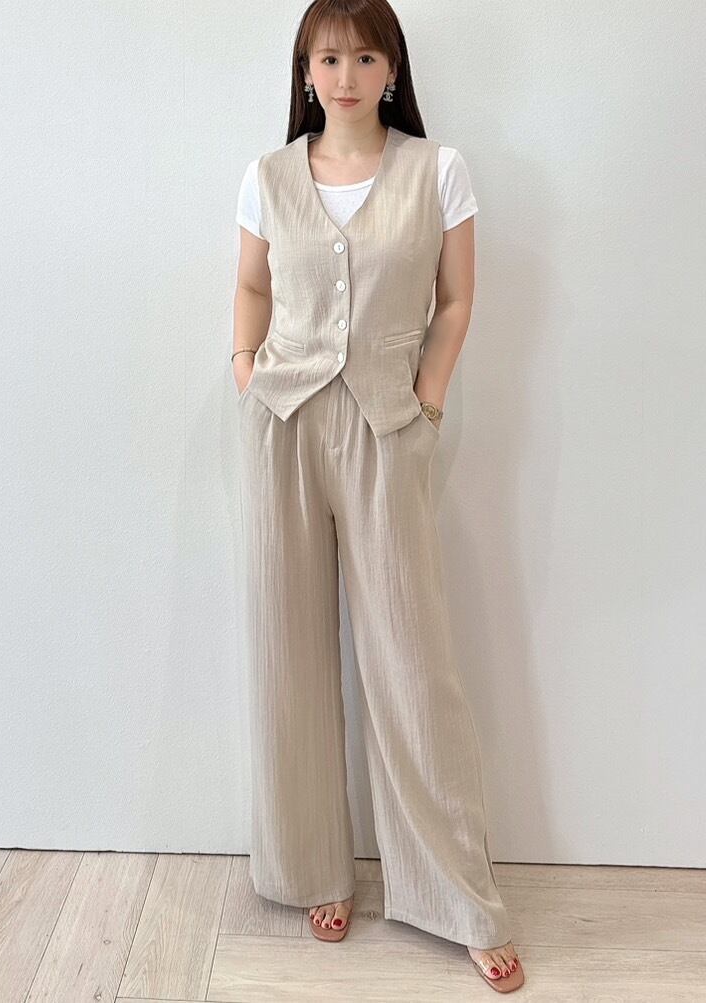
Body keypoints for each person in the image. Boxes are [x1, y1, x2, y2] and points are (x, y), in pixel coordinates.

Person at [232, 0, 525, 993]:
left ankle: (457, 896)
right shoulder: (267, 176)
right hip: (281, 424)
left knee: (410, 658)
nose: (346, 75)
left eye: (364, 56)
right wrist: (245, 368)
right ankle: (313, 869)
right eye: (328, 58)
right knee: (287, 650)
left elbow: (456, 300)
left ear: (391, 68)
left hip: (388, 428)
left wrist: (427, 404)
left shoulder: (437, 170)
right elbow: (252, 288)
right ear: (305, 71)